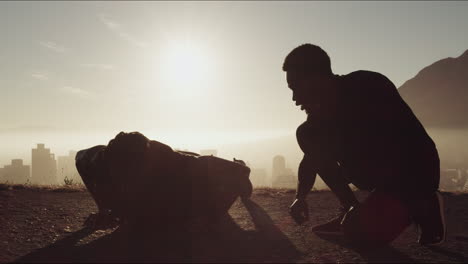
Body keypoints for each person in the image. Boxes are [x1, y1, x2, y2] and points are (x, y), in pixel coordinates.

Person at [285, 44, 445, 246]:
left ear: (316, 78)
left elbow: (400, 141)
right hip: (382, 178)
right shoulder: (319, 120)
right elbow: (313, 157)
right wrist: (301, 197)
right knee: (308, 134)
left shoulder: (369, 85)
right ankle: (352, 209)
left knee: (358, 234)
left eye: (296, 87)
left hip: (414, 174)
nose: (295, 99)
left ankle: (424, 205)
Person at [76, 131, 253, 229]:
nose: (125, 177)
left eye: (132, 171)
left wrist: (241, 175)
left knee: (205, 212)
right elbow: (80, 159)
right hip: (154, 187)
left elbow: (222, 167)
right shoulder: (98, 158)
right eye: (119, 170)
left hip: (190, 177)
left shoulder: (171, 162)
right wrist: (103, 210)